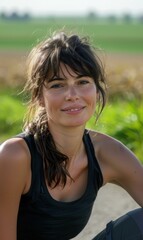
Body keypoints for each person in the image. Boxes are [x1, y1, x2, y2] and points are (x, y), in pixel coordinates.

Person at [0, 31, 143, 240]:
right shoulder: (15, 157)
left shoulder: (109, 153)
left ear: (96, 89)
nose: (72, 95)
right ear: (40, 96)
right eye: (58, 85)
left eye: (83, 82)